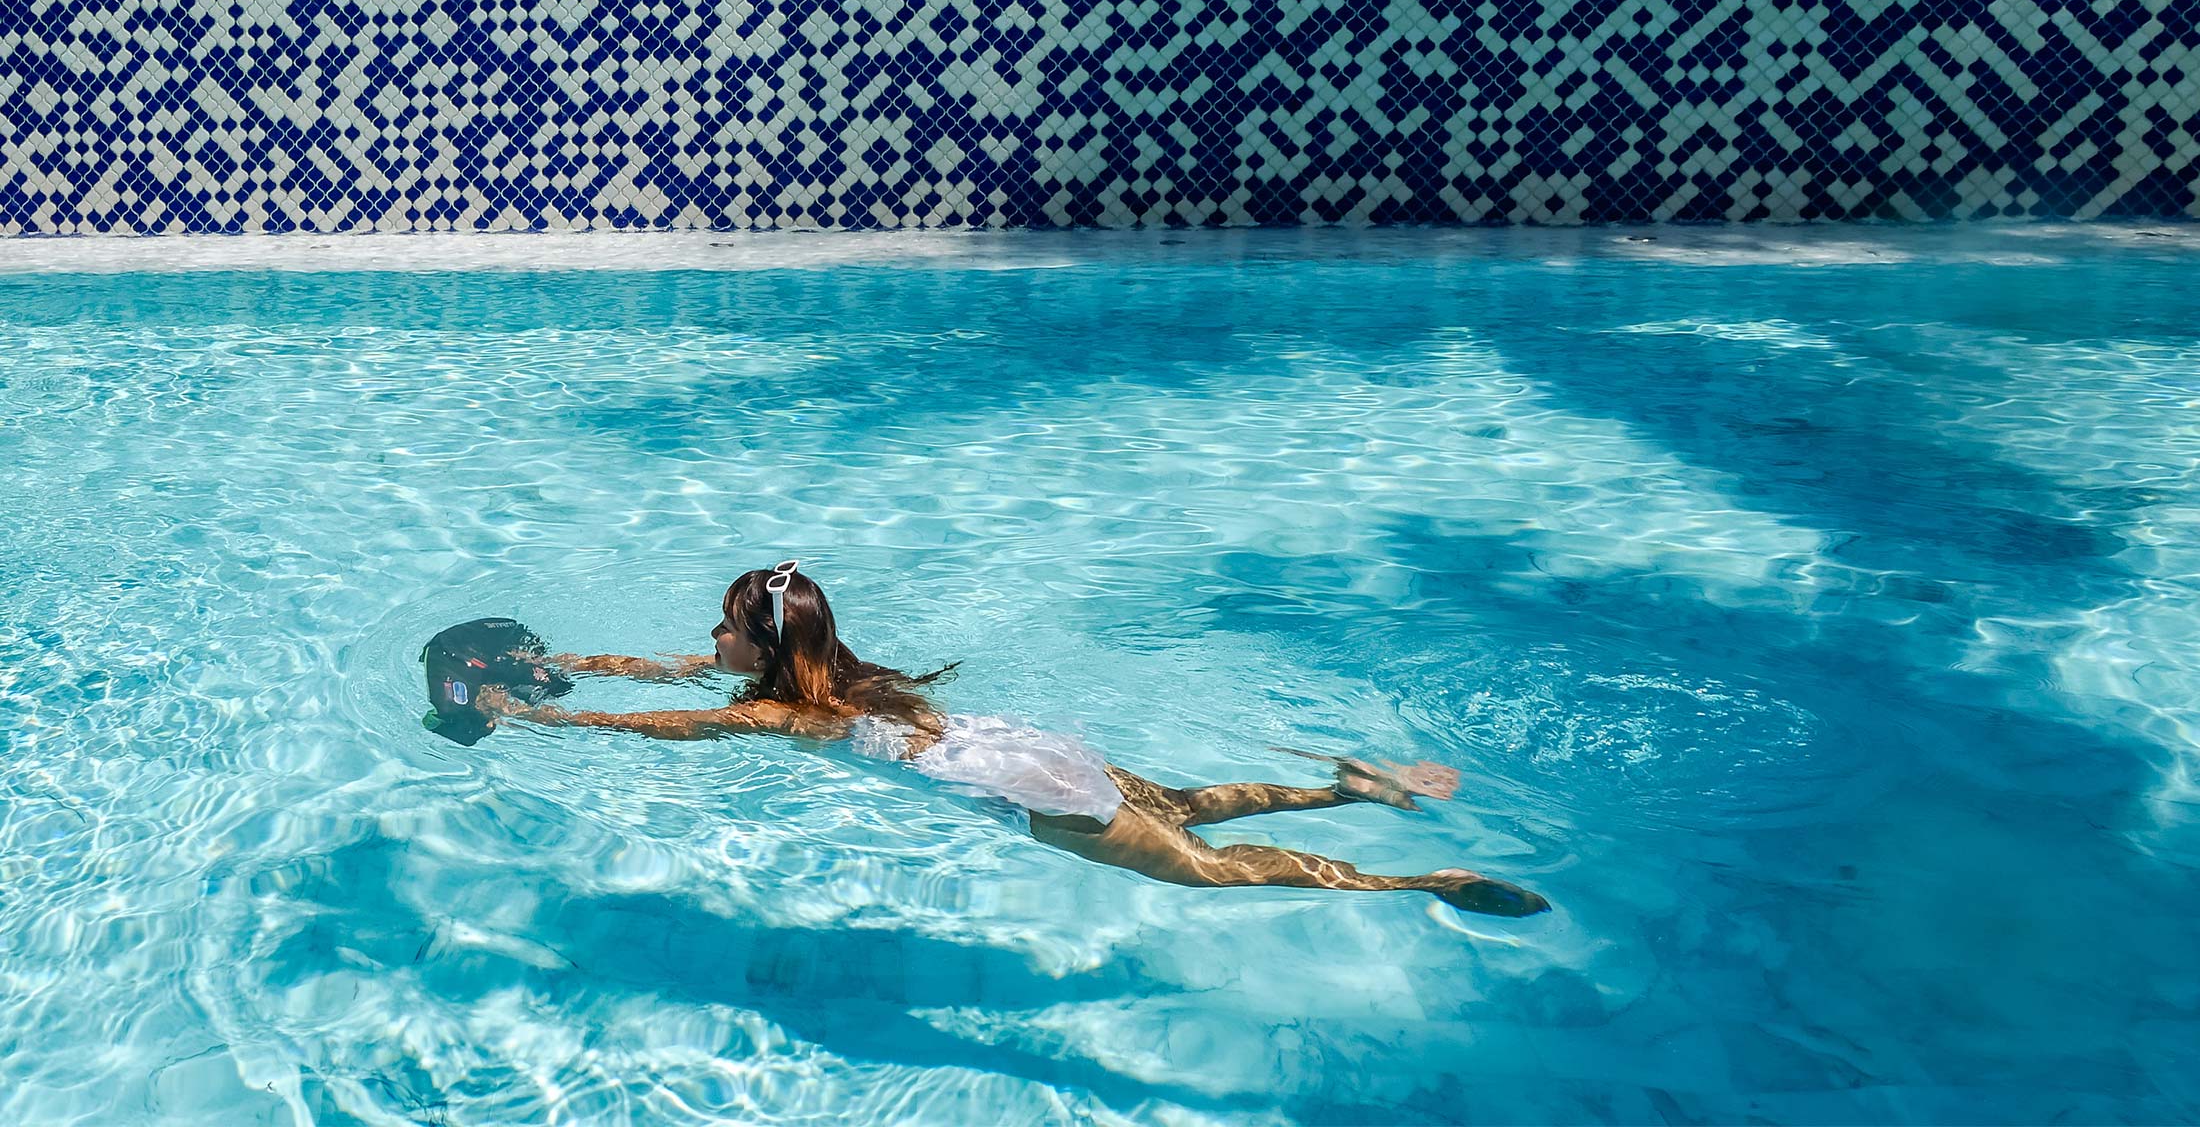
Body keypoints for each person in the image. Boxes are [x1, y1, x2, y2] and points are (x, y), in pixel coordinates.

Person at [471, 562, 1550, 918]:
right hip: (1021, 744)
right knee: (1183, 801)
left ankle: (1420, 886)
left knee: (1204, 873)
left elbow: (667, 725)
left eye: (722, 623)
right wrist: (564, 657)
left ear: (755, 643)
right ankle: (1358, 791)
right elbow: (668, 672)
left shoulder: (779, 708)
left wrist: (544, 718)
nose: (706, 636)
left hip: (1028, 795)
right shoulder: (830, 669)